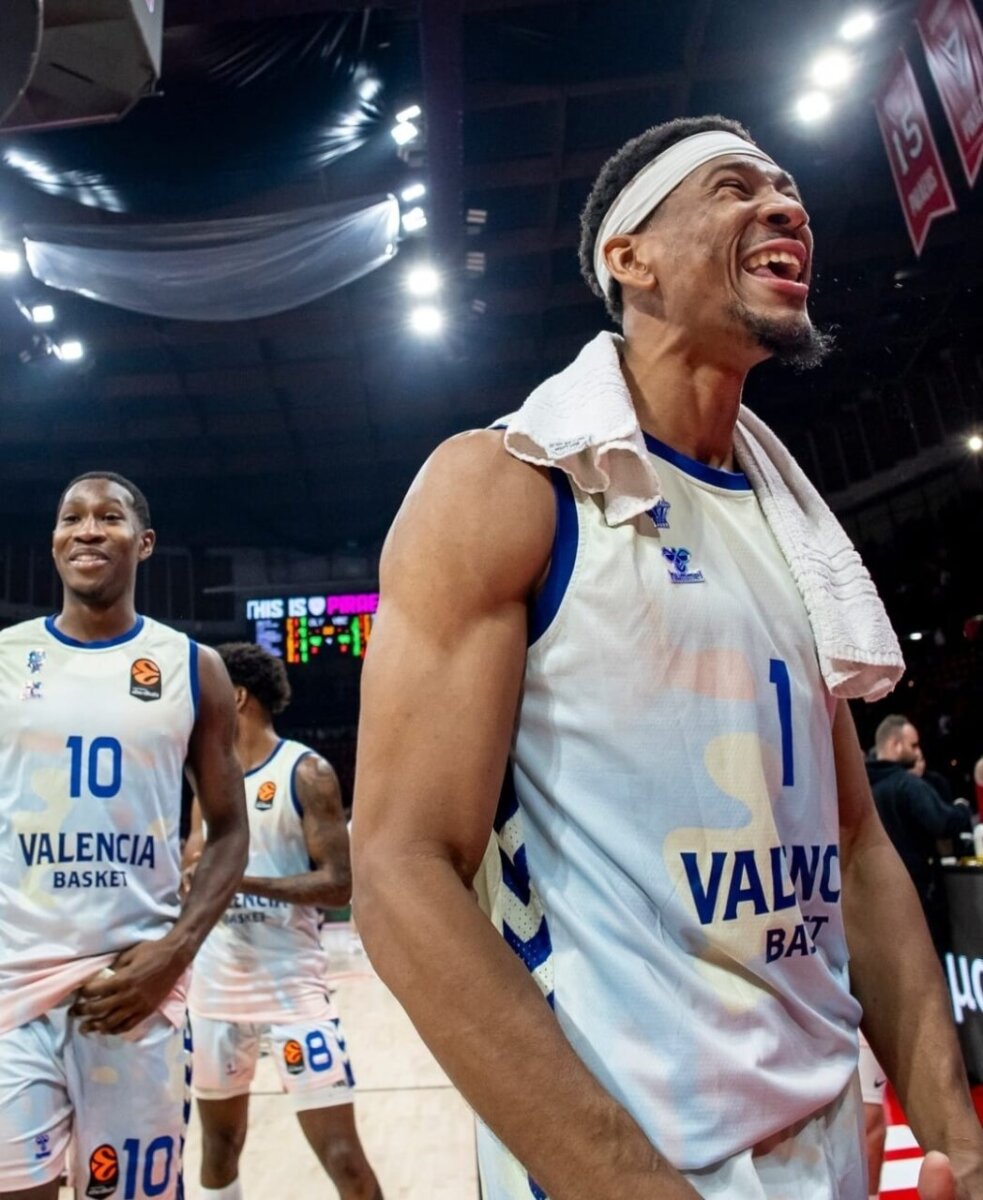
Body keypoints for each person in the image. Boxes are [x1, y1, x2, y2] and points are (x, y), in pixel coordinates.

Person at [351, 115, 983, 1199]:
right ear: (626, 256)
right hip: (632, 1160)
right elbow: (399, 873)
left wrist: (953, 1136)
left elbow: (853, 843)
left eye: (787, 191)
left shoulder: (790, 525)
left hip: (830, 1145)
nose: (785, 208)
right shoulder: (509, 485)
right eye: (733, 189)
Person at [0, 471, 248, 1200]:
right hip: (14, 988)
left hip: (133, 989)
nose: (87, 529)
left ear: (143, 544)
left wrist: (175, 951)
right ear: (53, 543)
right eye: (71, 517)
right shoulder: (6, 658)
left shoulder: (191, 667)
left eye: (108, 517)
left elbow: (230, 832)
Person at [185, 642, 381, 1200]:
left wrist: (239, 881)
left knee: (343, 1159)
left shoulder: (308, 771)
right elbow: (191, 858)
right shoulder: (208, 780)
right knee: (218, 1149)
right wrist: (188, 877)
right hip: (216, 990)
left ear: (238, 696)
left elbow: (338, 884)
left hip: (293, 988)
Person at [867, 714, 972, 956]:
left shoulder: (864, 789)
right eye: (913, 745)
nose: (917, 752)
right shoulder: (907, 784)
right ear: (896, 745)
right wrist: (962, 809)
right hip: (919, 895)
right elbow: (942, 823)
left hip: (881, 899)